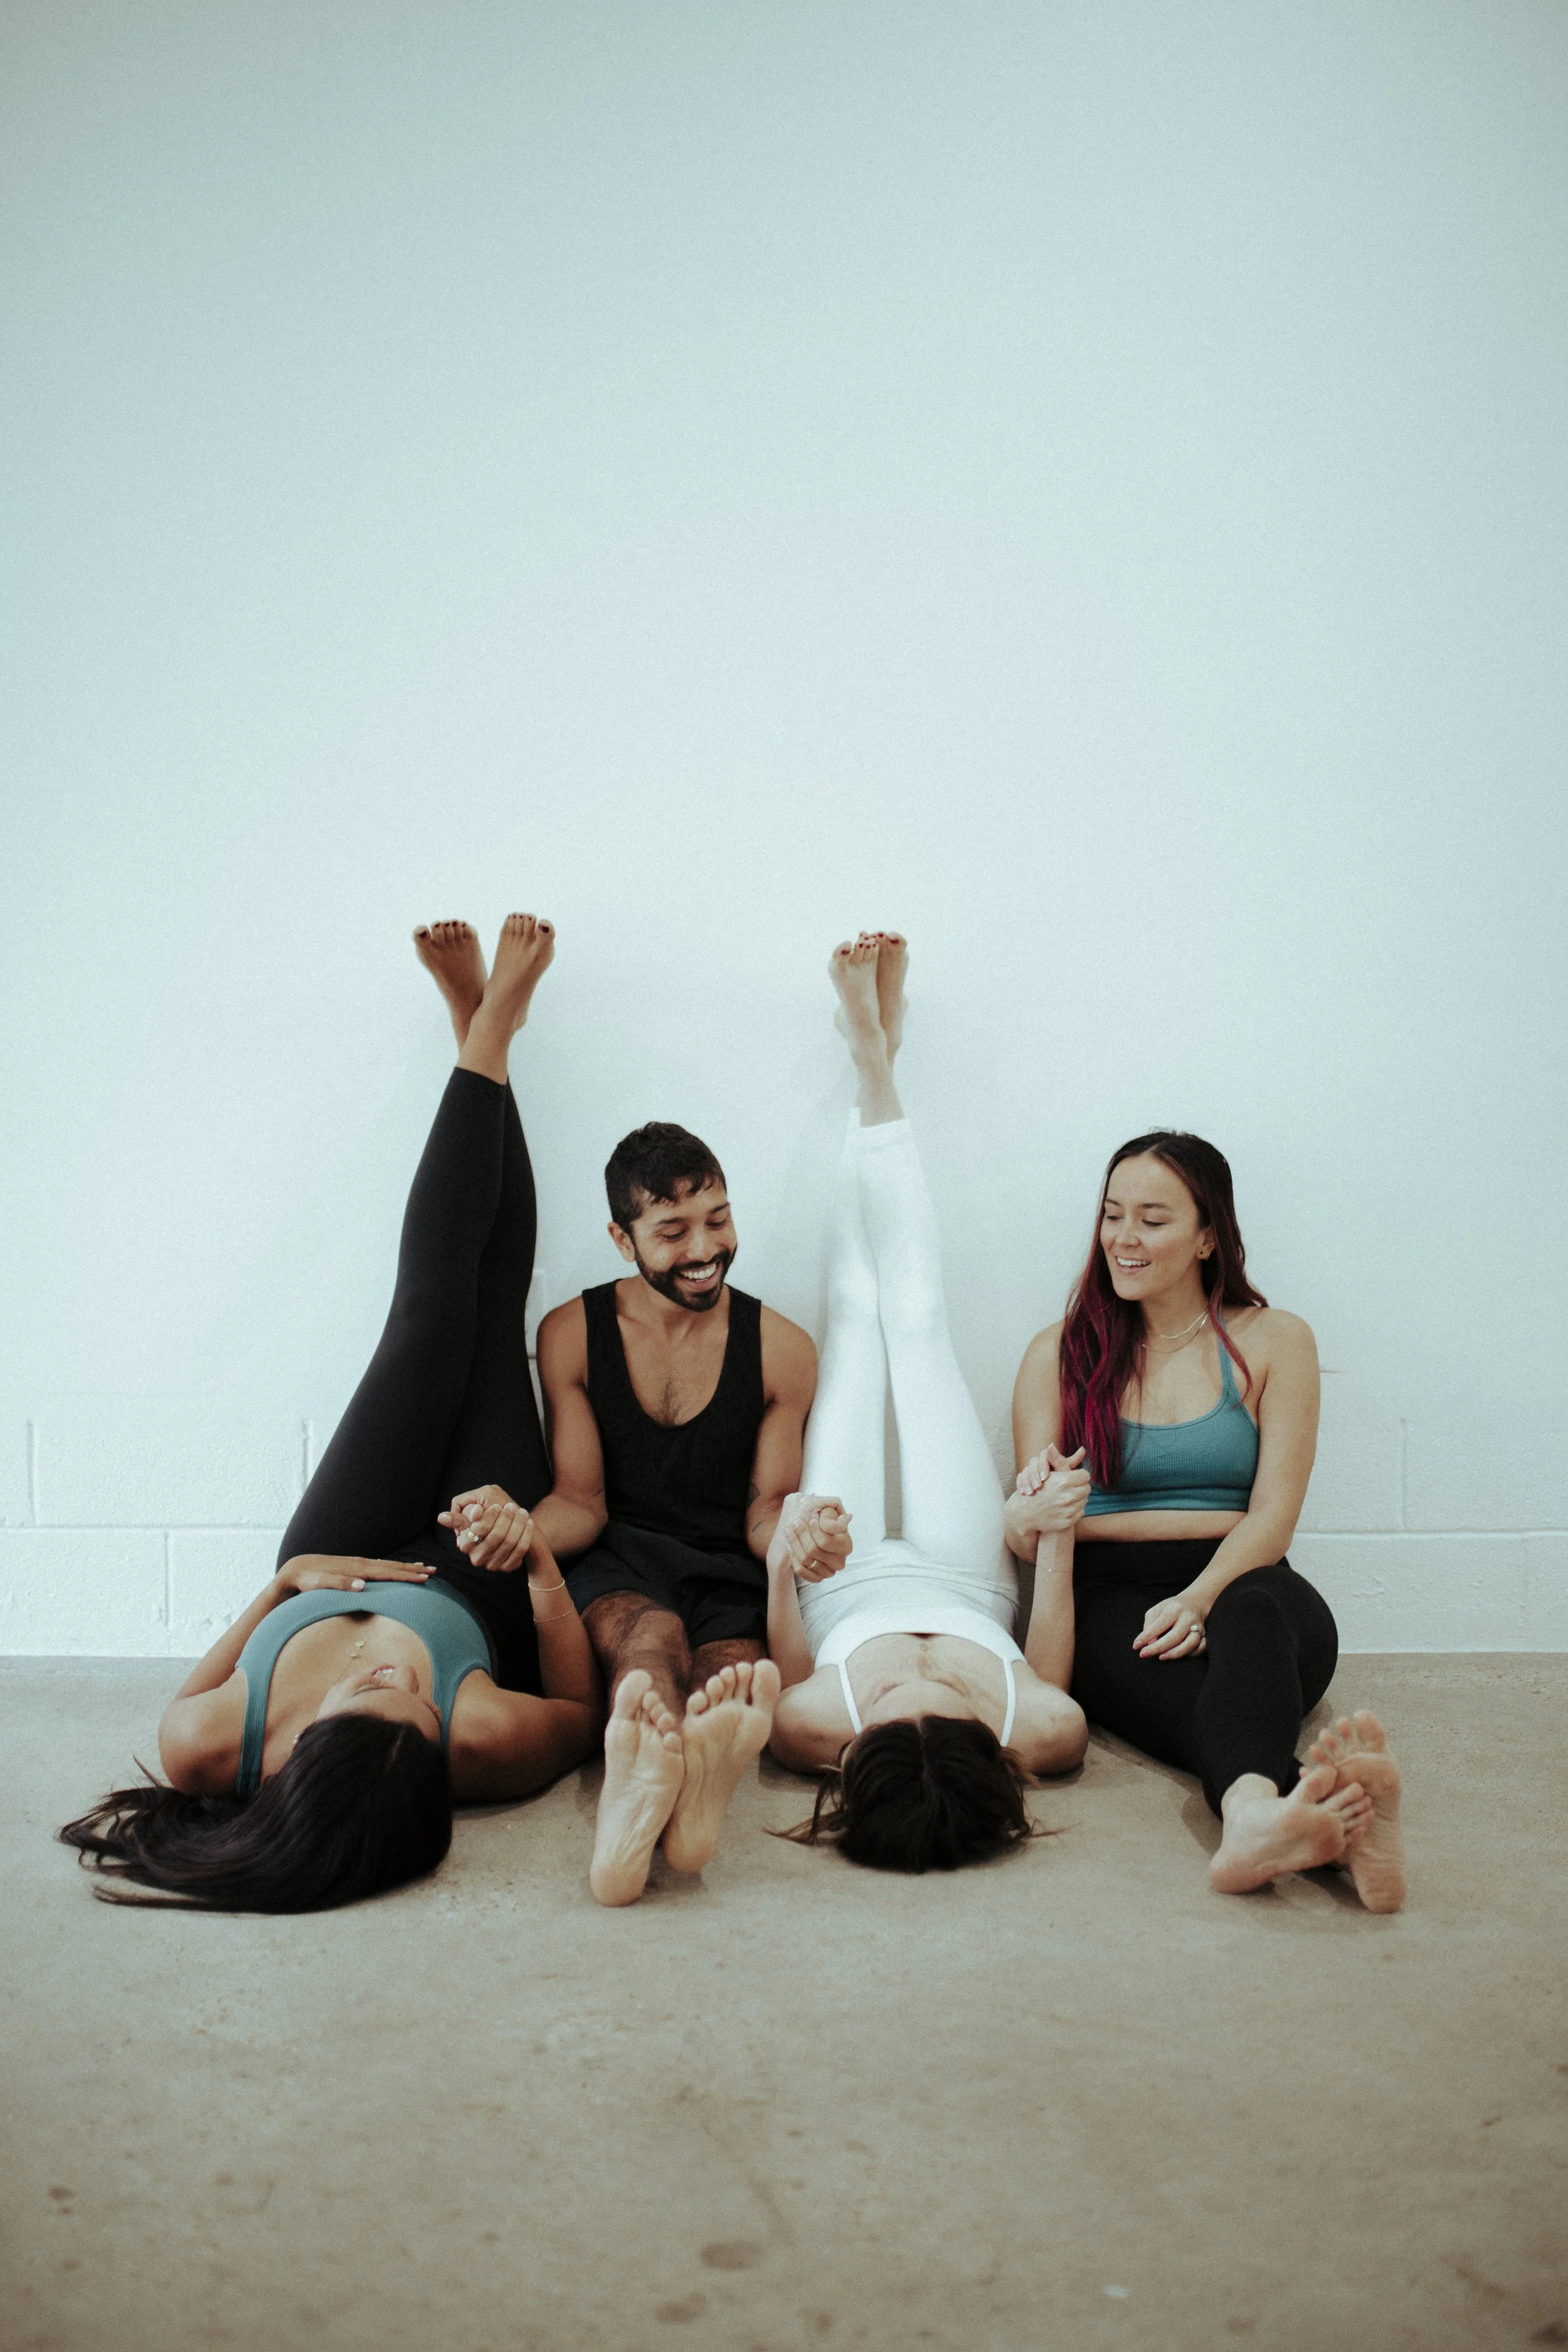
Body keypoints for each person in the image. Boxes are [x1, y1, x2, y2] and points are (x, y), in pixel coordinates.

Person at [60, 915, 601, 1912]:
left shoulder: (207, 1747)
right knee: (488, 1314)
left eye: (368, 1695)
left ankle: (485, 1025)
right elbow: (577, 1707)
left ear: (299, 1752)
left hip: (334, 1549)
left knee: (425, 1316)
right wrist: (534, 1558)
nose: (396, 1673)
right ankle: (478, 1028)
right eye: (416, 1707)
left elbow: (192, 1693)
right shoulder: (481, 1744)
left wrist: (282, 1592)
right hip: (471, 1575)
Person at [1009, 1129, 1406, 1910]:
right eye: (1112, 1214)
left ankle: (1263, 1823)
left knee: (1252, 1618)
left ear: (1206, 1236)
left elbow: (1273, 1519)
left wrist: (1199, 1595)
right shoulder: (1058, 1354)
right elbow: (1028, 1530)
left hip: (1248, 1577)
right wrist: (1038, 1517)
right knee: (1210, 1710)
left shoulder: (1273, 1340)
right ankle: (1299, 1821)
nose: (1124, 1237)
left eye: (1152, 1219)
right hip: (1109, 1605)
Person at [761, 934, 1088, 1873]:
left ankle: (875, 1059)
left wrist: (787, 1552)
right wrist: (1056, 1531)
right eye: (945, 1716)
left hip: (845, 1577)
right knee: (919, 1318)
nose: (923, 1694)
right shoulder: (1046, 1731)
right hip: (968, 1575)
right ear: (993, 1755)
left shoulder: (816, 1723)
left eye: (904, 1719)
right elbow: (1046, 1658)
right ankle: (875, 1058)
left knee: (859, 1322)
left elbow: (786, 1630)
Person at [533, 1081, 822, 1904]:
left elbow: (765, 1511)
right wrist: (516, 1532)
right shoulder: (571, 1334)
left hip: (727, 1570)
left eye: (719, 1218)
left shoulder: (782, 1348)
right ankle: (656, 1797)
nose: (705, 1247)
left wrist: (797, 1536)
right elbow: (580, 1502)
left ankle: (679, 1801)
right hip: (618, 1561)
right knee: (651, 1639)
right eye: (673, 1230)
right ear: (623, 1238)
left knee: (727, 1675)